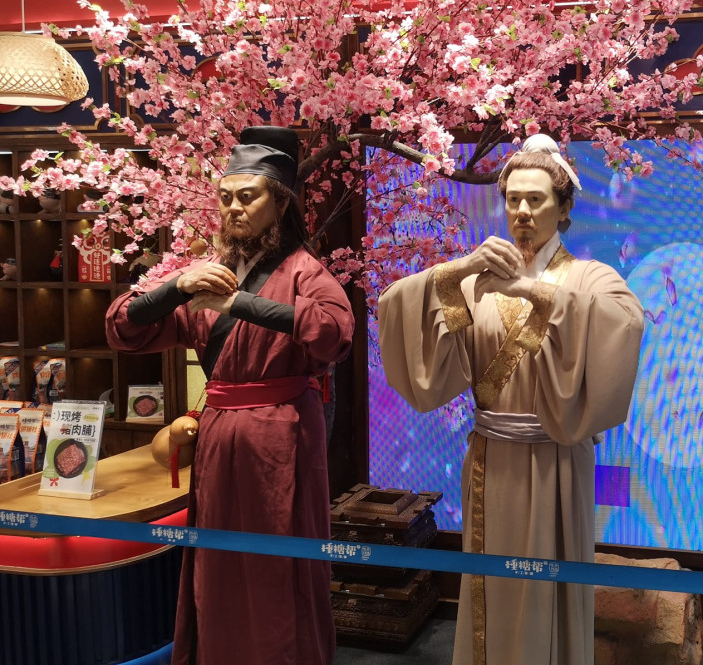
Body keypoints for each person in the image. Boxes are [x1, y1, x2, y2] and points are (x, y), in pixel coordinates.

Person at [376, 142, 644, 665]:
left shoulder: (590, 277)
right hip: (490, 461)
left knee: (549, 587)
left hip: (556, 459)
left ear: (563, 209)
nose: (522, 211)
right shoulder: (479, 278)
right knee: (490, 585)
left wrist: (531, 290)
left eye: (536, 200)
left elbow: (624, 322)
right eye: (513, 199)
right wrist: (458, 269)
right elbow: (396, 304)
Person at [106, 126, 354, 665]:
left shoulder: (305, 272)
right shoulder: (207, 273)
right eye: (225, 197)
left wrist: (239, 304)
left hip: (282, 437)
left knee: (278, 567)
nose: (233, 208)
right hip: (219, 438)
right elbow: (125, 328)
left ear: (280, 203)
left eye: (248, 196)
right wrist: (176, 287)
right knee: (216, 564)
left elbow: (333, 333)